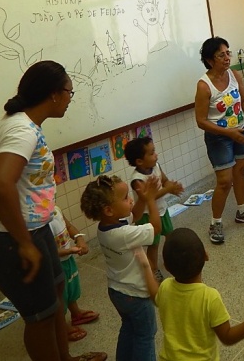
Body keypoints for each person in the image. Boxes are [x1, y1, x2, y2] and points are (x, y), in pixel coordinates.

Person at [0, 60, 106, 361]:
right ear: (54, 94)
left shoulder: (24, 124)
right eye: (69, 92)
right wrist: (24, 243)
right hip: (6, 238)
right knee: (40, 316)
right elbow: (0, 185)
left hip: (33, 229)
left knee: (55, 294)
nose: (70, 99)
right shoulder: (21, 131)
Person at [134, 228, 244, 360]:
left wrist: (146, 267)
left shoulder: (166, 287)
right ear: (206, 255)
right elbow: (227, 337)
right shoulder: (209, 297)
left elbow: (154, 295)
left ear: (166, 266)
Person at [80, 174, 161, 361]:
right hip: (136, 295)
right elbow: (156, 227)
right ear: (109, 210)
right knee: (145, 335)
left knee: (129, 328)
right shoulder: (124, 235)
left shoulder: (106, 227)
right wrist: (151, 200)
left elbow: (136, 215)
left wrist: (141, 199)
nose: (130, 199)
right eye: (125, 198)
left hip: (117, 291)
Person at [194, 36, 244, 245]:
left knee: (240, 171)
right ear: (209, 60)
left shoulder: (234, 75)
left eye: (228, 53)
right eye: (221, 55)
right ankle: (215, 223)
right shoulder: (204, 86)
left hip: (240, 131)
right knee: (224, 181)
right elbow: (200, 121)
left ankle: (242, 211)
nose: (227, 58)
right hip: (219, 138)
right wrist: (228, 133)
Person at [124, 136, 184, 282]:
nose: (156, 155)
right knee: (154, 244)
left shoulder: (156, 166)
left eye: (154, 151)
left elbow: (165, 181)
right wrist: (167, 189)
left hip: (162, 210)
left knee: (170, 236)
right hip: (147, 215)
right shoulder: (137, 180)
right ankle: (153, 269)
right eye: (151, 153)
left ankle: (172, 260)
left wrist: (172, 187)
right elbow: (148, 198)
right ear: (139, 161)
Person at [48, 206, 100, 342]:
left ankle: (75, 312)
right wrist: (68, 251)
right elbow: (44, 251)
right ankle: (61, 325)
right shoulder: (38, 222)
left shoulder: (56, 209)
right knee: (61, 294)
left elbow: (69, 226)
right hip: (54, 264)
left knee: (72, 285)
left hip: (67, 259)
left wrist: (79, 239)